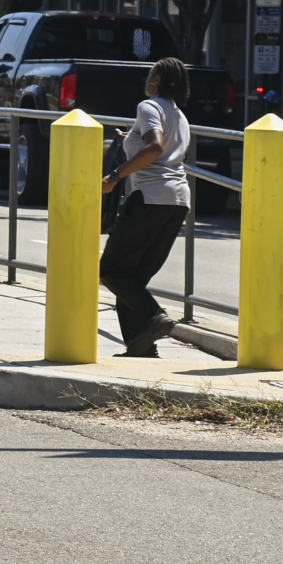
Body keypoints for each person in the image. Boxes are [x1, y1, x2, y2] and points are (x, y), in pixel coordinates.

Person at [100, 56, 195, 357]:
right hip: (177, 201)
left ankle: (155, 317)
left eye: (151, 73)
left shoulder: (149, 106)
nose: (147, 79)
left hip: (150, 197)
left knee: (110, 269)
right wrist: (129, 139)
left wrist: (115, 175)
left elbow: (155, 147)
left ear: (158, 80)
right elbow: (163, 148)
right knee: (133, 278)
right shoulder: (179, 116)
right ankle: (141, 345)